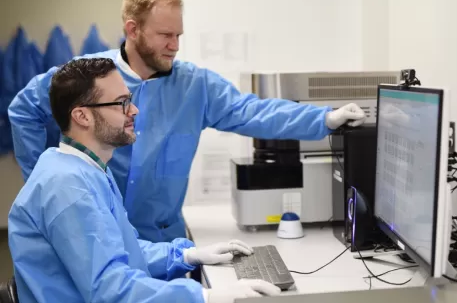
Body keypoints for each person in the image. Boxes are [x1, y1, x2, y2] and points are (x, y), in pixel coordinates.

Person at [8, 0, 366, 243]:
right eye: (165, 35)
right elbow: (22, 109)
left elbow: (253, 111)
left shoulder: (195, 86)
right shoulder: (87, 77)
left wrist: (323, 119)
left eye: (178, 35)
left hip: (163, 241)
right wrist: (41, 177)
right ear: (133, 30)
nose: (175, 45)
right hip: (97, 234)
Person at [8, 58, 281, 303]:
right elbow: (111, 289)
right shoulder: (68, 186)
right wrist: (204, 296)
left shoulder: (87, 169)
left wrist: (188, 255)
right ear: (82, 116)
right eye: (121, 103)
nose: (134, 110)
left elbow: (123, 248)